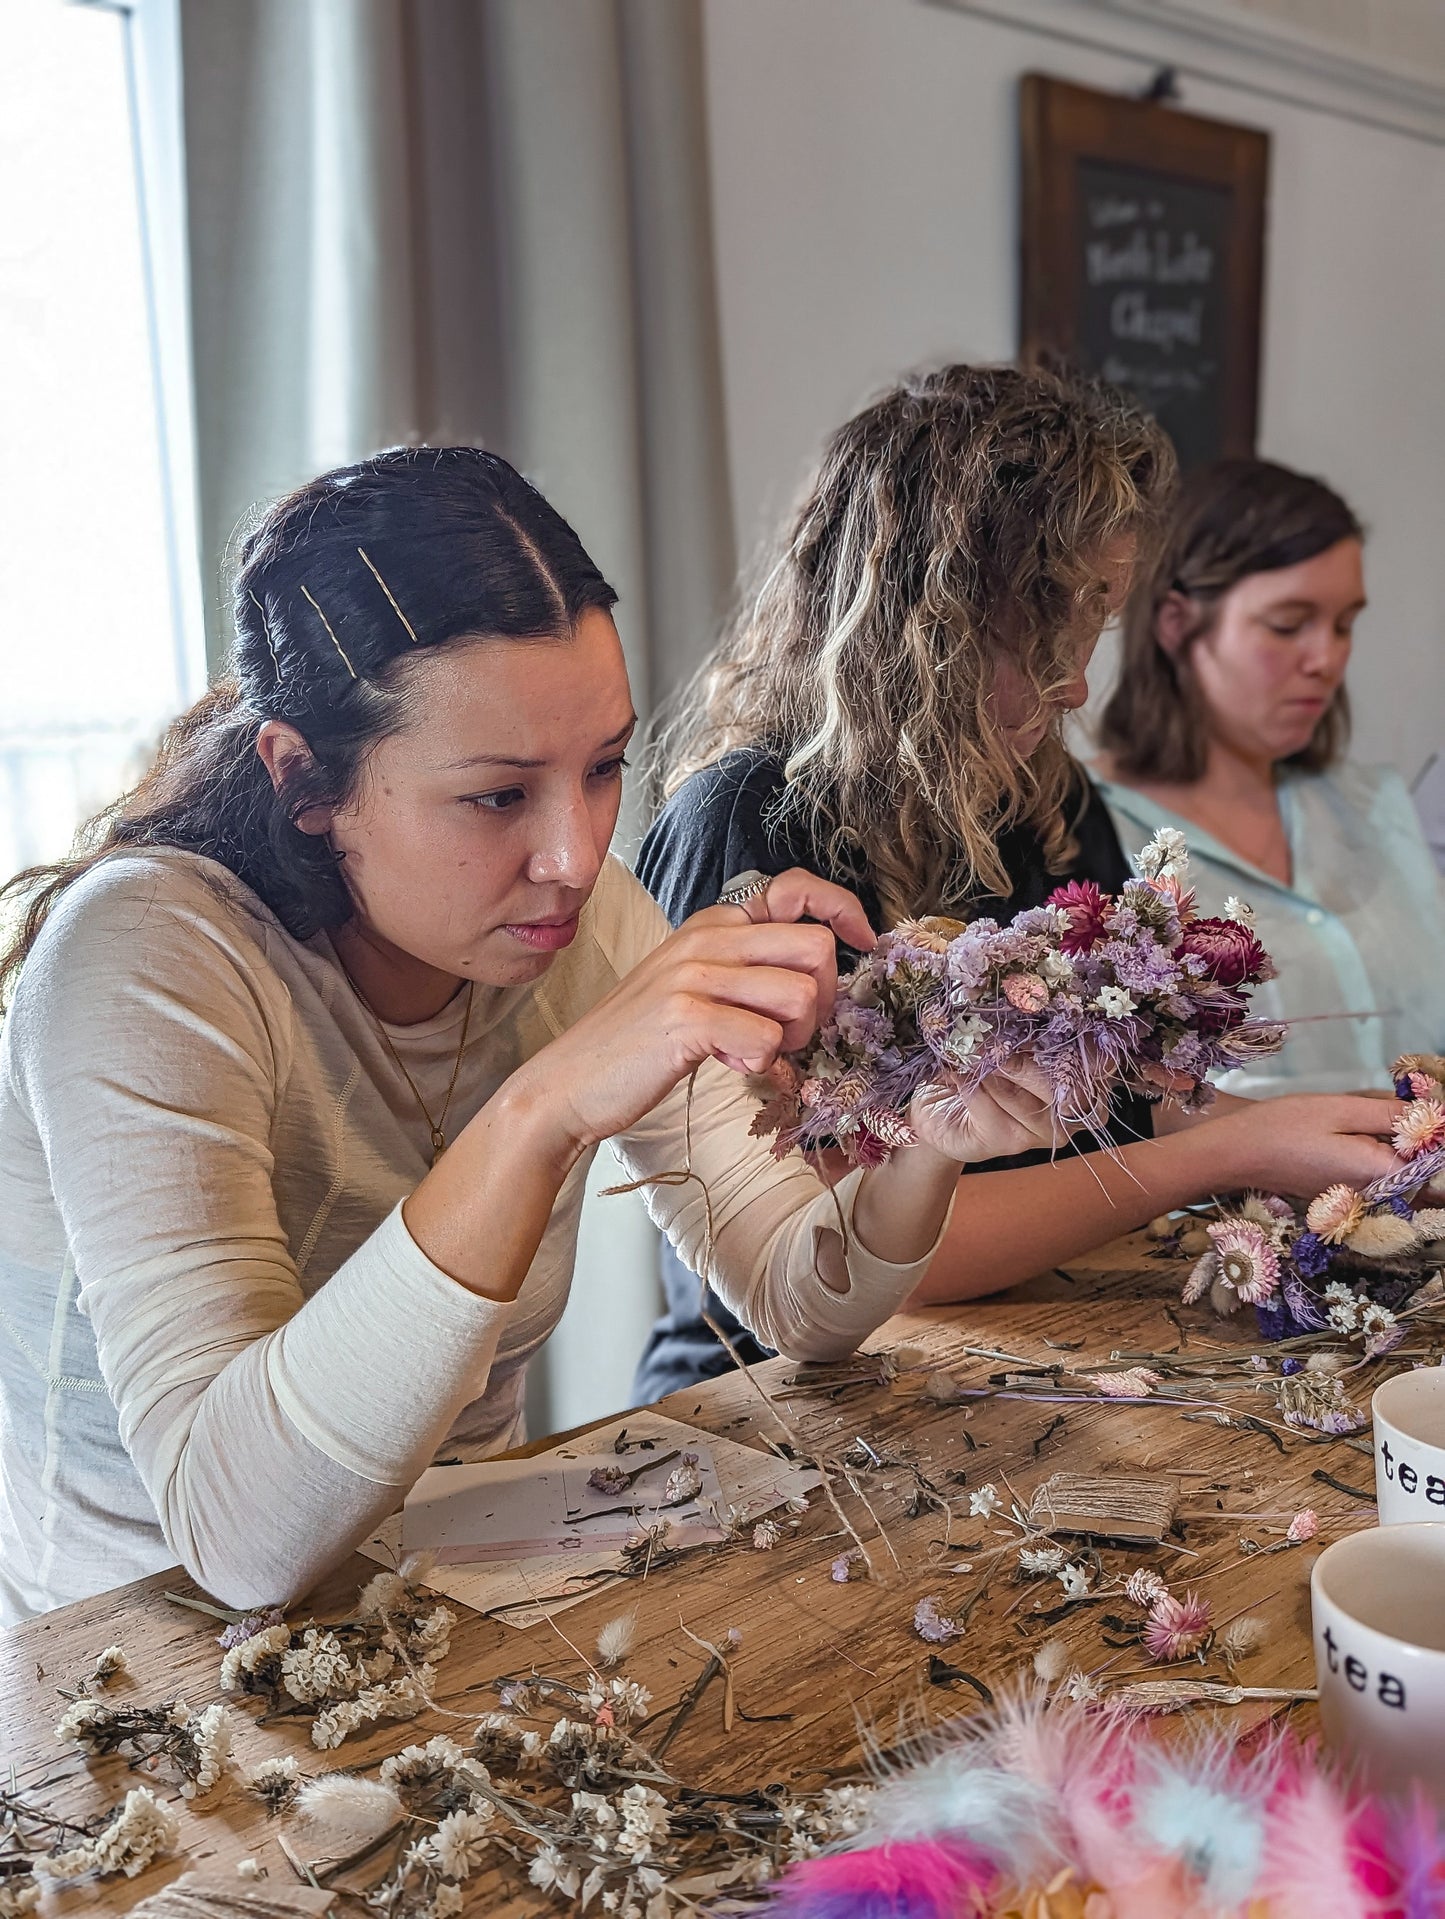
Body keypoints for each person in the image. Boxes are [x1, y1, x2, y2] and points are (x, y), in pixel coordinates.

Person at [0, 446, 1075, 1626]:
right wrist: (545, 1102)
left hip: (461, 1611)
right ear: (305, 779)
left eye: (605, 767)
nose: (573, 857)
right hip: (125, 1676)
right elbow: (240, 1541)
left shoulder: (580, 917)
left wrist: (920, 1131)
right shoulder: (149, 952)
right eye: (498, 795)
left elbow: (799, 1301)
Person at [632, 368, 1405, 1400]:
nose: (1078, 679)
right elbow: (889, 1266)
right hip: (773, 1392)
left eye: (1095, 616)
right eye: (1042, 623)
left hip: (1026, 1343)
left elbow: (1125, 1110)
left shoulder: (1043, 798)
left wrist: (1316, 1127)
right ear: (926, 622)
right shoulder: (747, 823)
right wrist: (1232, 1148)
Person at [1095, 456, 1445, 1096]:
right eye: (1288, 625)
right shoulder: (1092, 827)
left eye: (1345, 625)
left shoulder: (1376, 805)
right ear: (1178, 625)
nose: (1327, 659)